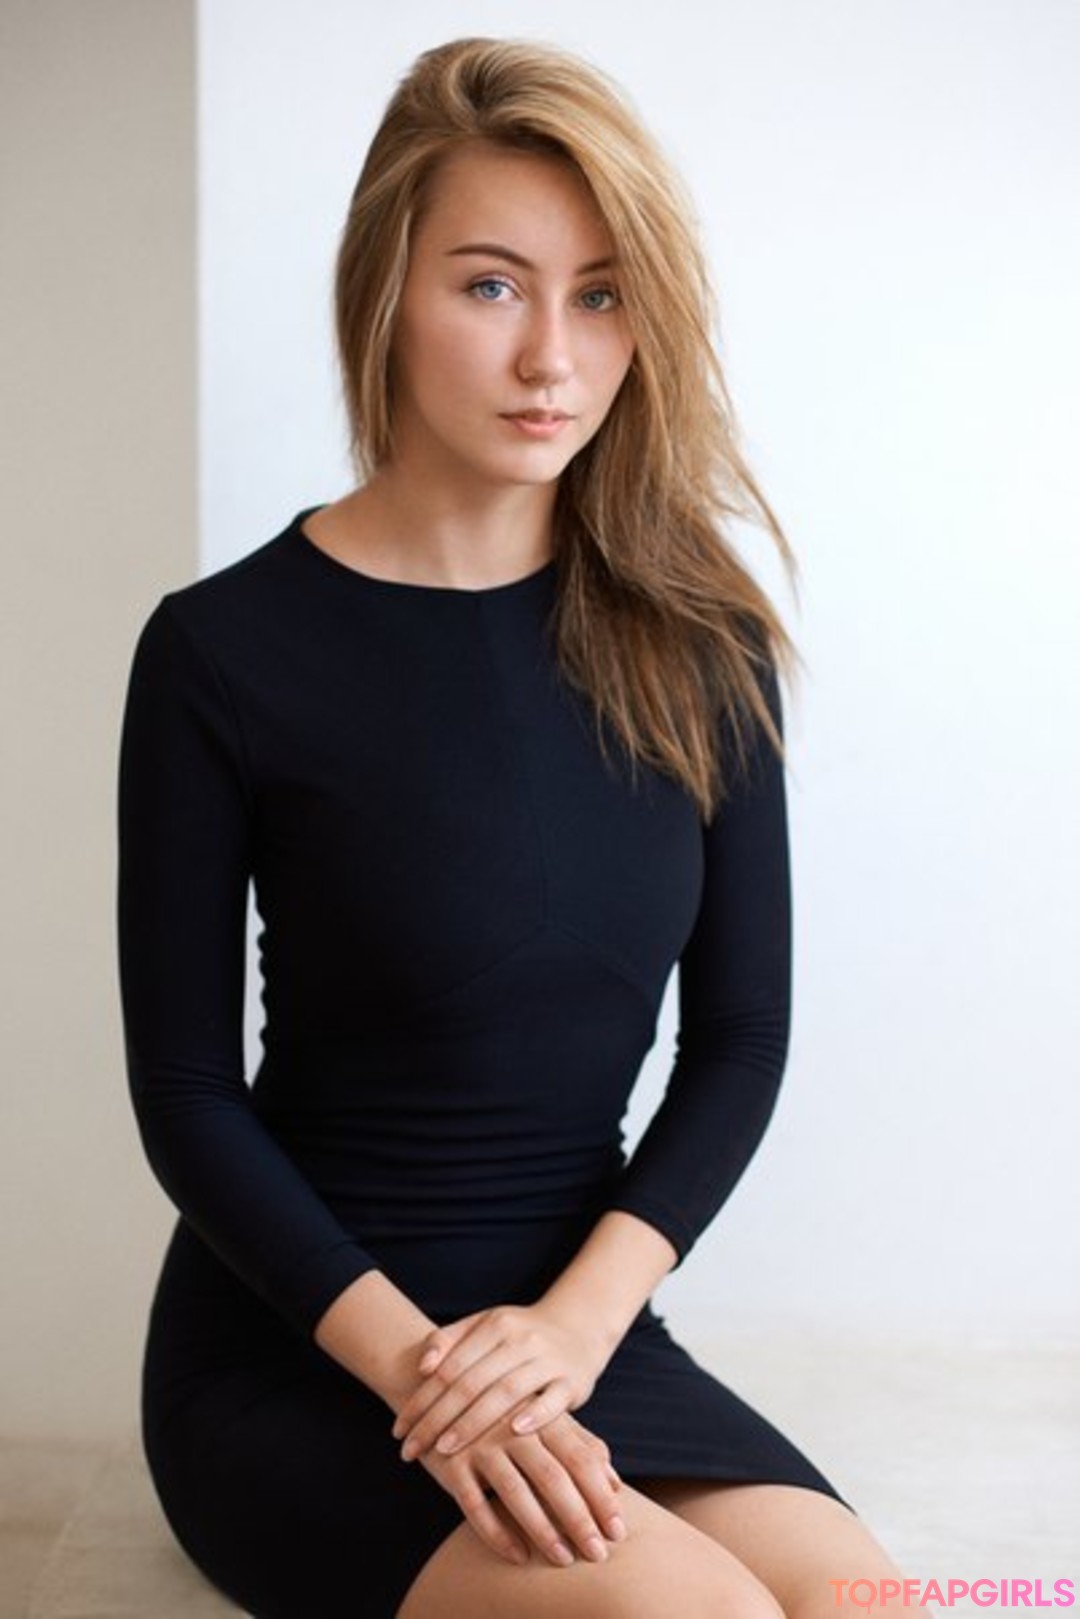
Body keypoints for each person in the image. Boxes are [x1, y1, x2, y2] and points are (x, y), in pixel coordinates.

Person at [117, 35, 919, 1619]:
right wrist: (435, 1376)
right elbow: (188, 1097)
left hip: (577, 1332)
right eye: (492, 286)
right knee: (687, 1612)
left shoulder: (701, 644)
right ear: (384, 294)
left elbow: (742, 1039)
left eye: (601, 295)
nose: (553, 355)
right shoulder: (221, 652)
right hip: (313, 1348)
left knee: (875, 1607)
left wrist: (570, 1331)